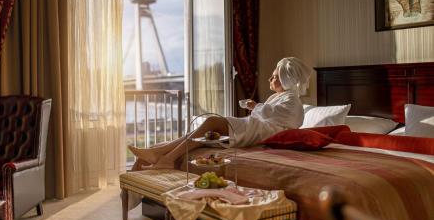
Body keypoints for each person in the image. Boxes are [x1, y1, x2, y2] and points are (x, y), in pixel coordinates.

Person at [129, 57, 312, 169]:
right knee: (203, 132)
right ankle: (157, 152)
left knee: (212, 122)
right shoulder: (281, 97)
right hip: (254, 127)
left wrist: (255, 106)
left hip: (258, 132)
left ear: (286, 80)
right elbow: (273, 113)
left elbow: (284, 118)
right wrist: (257, 107)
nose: (269, 78)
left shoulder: (293, 101)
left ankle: (164, 156)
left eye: (274, 76)